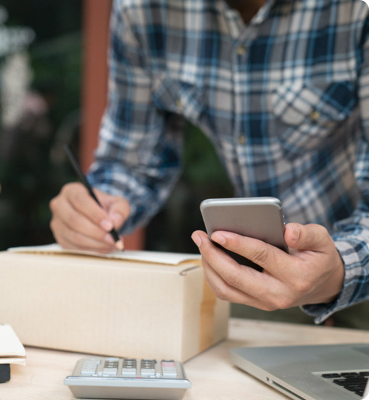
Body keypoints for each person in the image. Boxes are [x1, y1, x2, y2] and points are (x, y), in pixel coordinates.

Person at [50, 0, 369, 325]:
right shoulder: (143, 9)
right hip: (258, 281)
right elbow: (132, 163)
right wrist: (99, 210)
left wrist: (340, 269)